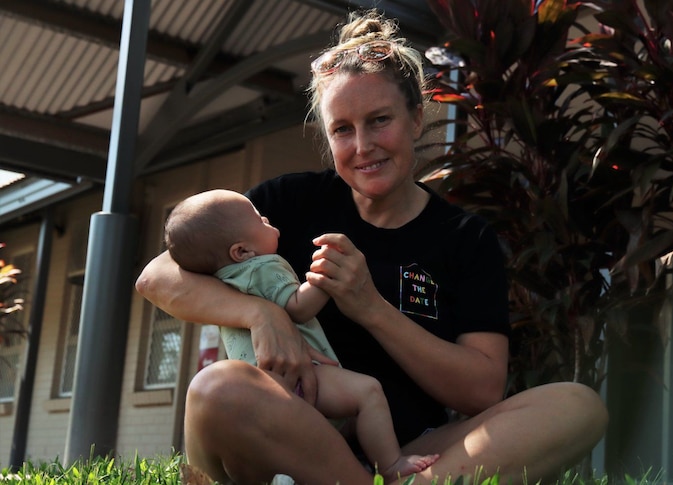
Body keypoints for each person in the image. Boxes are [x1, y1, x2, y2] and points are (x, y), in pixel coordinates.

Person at [135, 9, 608, 485]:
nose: (363, 146)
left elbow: (482, 390)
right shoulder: (288, 202)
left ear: (417, 118)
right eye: (342, 129)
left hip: (409, 451)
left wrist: (371, 307)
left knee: (576, 405)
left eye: (379, 120)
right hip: (284, 440)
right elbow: (157, 277)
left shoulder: (465, 238)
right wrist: (264, 315)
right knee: (216, 388)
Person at [162, 188, 439, 481]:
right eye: (259, 219)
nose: (266, 218)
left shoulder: (219, 280)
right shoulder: (263, 268)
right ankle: (390, 464)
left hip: (260, 388)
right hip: (294, 377)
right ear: (241, 251)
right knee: (367, 392)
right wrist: (325, 275)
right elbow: (298, 307)